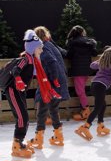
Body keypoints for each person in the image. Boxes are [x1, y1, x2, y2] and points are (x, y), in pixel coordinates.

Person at [27, 26, 70, 149]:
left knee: (42, 110)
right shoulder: (50, 45)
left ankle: (38, 139)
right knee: (53, 109)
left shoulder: (43, 48)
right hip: (56, 82)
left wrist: (54, 79)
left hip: (50, 83)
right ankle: (58, 136)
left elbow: (52, 62)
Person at [75, 47, 111, 141]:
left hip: (94, 85)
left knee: (103, 105)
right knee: (97, 108)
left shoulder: (101, 63)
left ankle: (100, 125)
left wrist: (101, 60)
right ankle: (85, 127)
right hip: (101, 87)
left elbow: (92, 65)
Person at [4, 30, 43, 158]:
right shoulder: (26, 58)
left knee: (25, 117)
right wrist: (19, 80)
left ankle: (19, 142)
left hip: (20, 92)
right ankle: (16, 146)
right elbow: (16, 71)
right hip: (13, 90)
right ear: (33, 48)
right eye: (39, 48)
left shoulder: (33, 60)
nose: (41, 51)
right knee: (22, 118)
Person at [66, 25, 98, 121]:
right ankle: (84, 109)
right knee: (81, 90)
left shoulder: (72, 43)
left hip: (78, 70)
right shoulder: (89, 42)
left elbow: (69, 55)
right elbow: (95, 53)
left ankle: (86, 111)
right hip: (86, 70)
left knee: (80, 91)